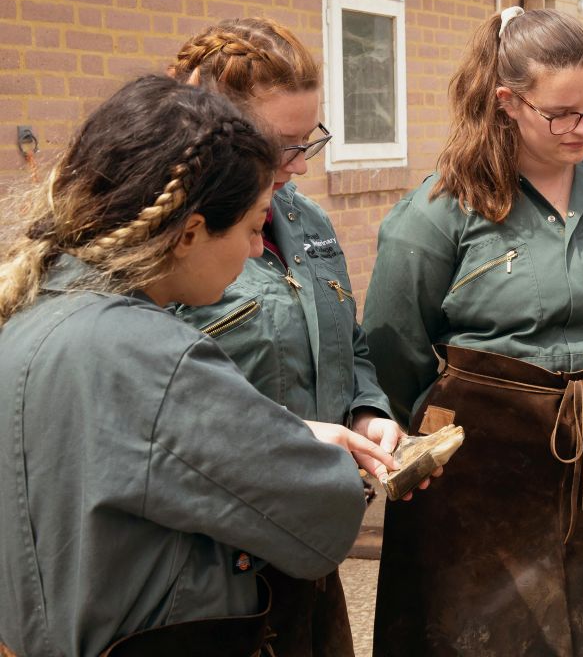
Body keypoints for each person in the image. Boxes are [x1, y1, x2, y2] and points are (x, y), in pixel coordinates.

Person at [0, 76, 377, 657]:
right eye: (254, 226)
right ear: (191, 231)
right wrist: (311, 455)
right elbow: (318, 510)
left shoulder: (31, 317)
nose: (258, 250)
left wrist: (286, 433)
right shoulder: (152, 354)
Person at [364, 6, 583, 656]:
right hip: (479, 471)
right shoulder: (438, 212)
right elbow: (394, 350)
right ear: (507, 102)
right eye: (562, 113)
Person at [169, 18, 405, 657]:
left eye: (310, 142)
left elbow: (346, 339)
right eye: (279, 146)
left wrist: (368, 408)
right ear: (211, 126)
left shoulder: (306, 218)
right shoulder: (167, 246)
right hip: (214, 565)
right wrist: (285, 440)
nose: (297, 167)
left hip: (309, 543)